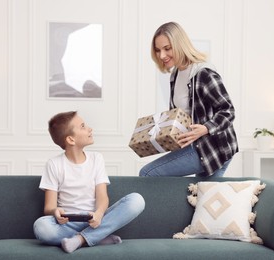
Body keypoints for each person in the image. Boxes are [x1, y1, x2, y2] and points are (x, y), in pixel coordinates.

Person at [34, 111, 145, 253]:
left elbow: (102, 197)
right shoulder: (54, 164)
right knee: (41, 226)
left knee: (136, 200)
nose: (89, 128)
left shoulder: (96, 159)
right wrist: (55, 211)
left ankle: (81, 240)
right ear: (71, 140)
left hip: (95, 221)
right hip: (69, 223)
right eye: (82, 126)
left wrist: (98, 214)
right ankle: (97, 238)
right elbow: (48, 207)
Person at [139, 22, 238, 178]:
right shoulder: (176, 74)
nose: (162, 55)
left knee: (147, 174)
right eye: (158, 50)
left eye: (167, 48)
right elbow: (182, 114)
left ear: (179, 44)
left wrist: (206, 128)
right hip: (197, 146)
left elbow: (228, 110)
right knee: (203, 199)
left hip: (212, 148)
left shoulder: (203, 73)